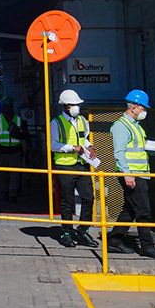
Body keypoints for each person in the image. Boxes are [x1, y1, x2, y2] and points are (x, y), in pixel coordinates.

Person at [107, 89, 155, 259]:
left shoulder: (136, 127)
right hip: (132, 175)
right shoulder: (121, 126)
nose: (144, 111)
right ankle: (147, 246)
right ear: (133, 106)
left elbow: (140, 149)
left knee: (130, 210)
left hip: (139, 174)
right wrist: (127, 174)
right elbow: (119, 153)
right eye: (142, 108)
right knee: (143, 211)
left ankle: (115, 240)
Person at [50, 89, 99, 248]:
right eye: (74, 105)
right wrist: (72, 148)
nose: (77, 107)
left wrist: (90, 146)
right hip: (64, 165)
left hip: (82, 165)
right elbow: (53, 145)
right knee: (67, 201)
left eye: (78, 105)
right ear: (65, 106)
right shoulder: (56, 123)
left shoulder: (82, 120)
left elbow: (83, 138)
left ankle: (83, 230)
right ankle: (66, 232)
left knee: (88, 198)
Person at [0, 97, 26, 202]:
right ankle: (10, 193)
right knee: (12, 175)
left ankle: (9, 193)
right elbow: (25, 135)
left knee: (9, 175)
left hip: (7, 152)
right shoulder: (16, 119)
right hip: (8, 151)